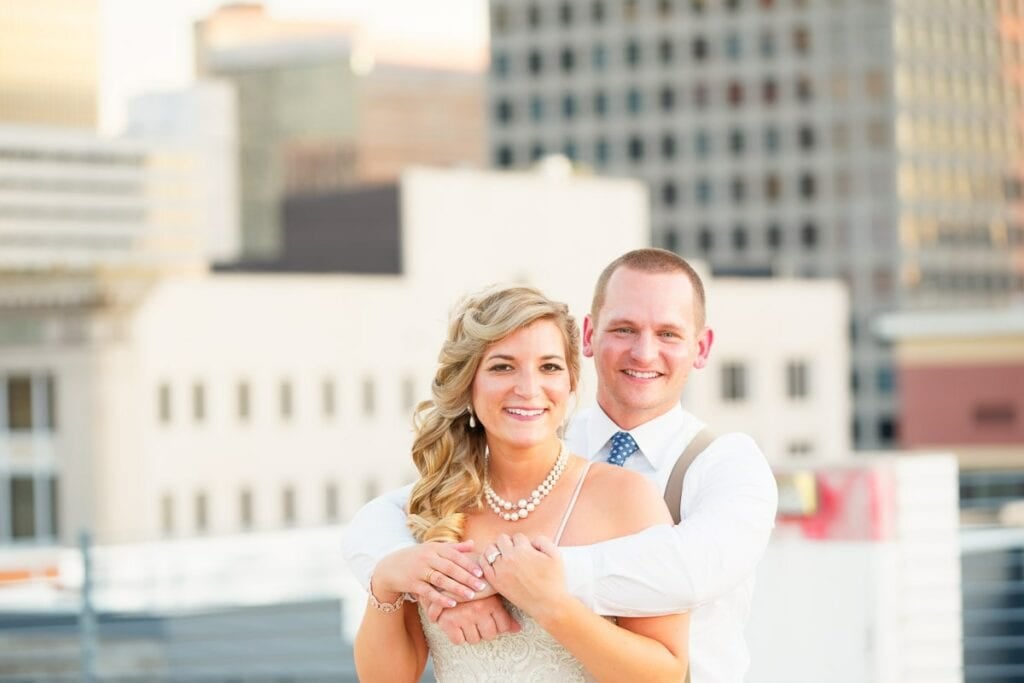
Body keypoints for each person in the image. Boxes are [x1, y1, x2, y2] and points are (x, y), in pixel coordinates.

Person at [344, 249, 779, 682]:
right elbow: (383, 518)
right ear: (589, 338)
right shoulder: (479, 473)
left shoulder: (727, 466)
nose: (644, 353)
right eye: (625, 329)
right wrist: (398, 570)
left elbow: (690, 569)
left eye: (668, 334)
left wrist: (508, 579)